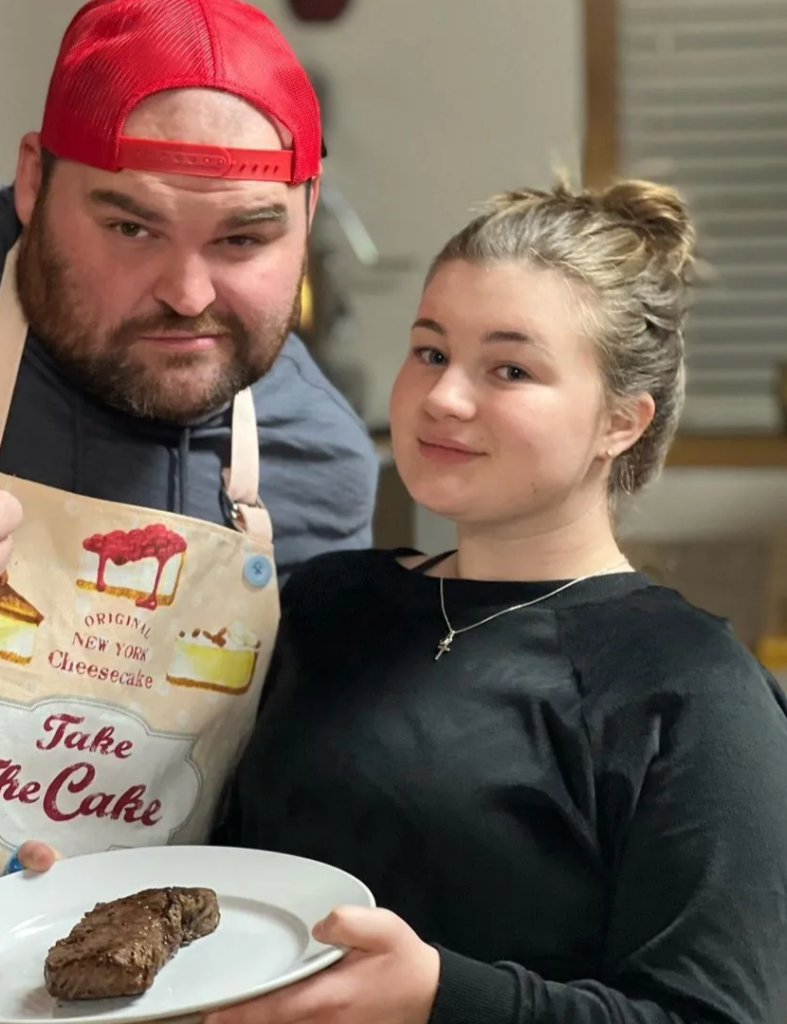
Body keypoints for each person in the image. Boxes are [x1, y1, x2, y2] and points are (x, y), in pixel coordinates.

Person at [0, 3, 377, 1022]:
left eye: (243, 237)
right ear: (35, 180)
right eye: (130, 225)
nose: (186, 292)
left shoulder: (315, 463)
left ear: (308, 215)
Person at [204, 179, 787, 1024]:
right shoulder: (331, 603)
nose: (443, 397)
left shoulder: (693, 687)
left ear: (620, 422)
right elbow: (233, 872)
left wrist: (440, 996)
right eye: (431, 351)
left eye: (510, 368)